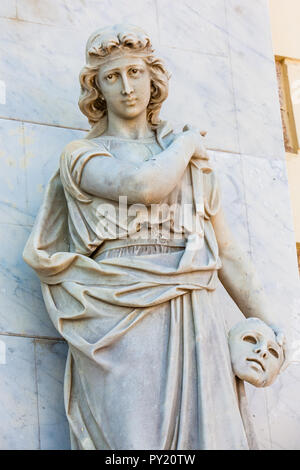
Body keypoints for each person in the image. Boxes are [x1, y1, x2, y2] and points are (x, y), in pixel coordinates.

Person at [23, 24, 285, 450]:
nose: (127, 86)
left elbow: (230, 252)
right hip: (116, 317)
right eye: (112, 77)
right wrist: (186, 145)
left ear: (153, 78)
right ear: (97, 89)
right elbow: (145, 186)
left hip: (193, 309)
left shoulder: (190, 162)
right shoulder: (84, 155)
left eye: (135, 72)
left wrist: (273, 328)